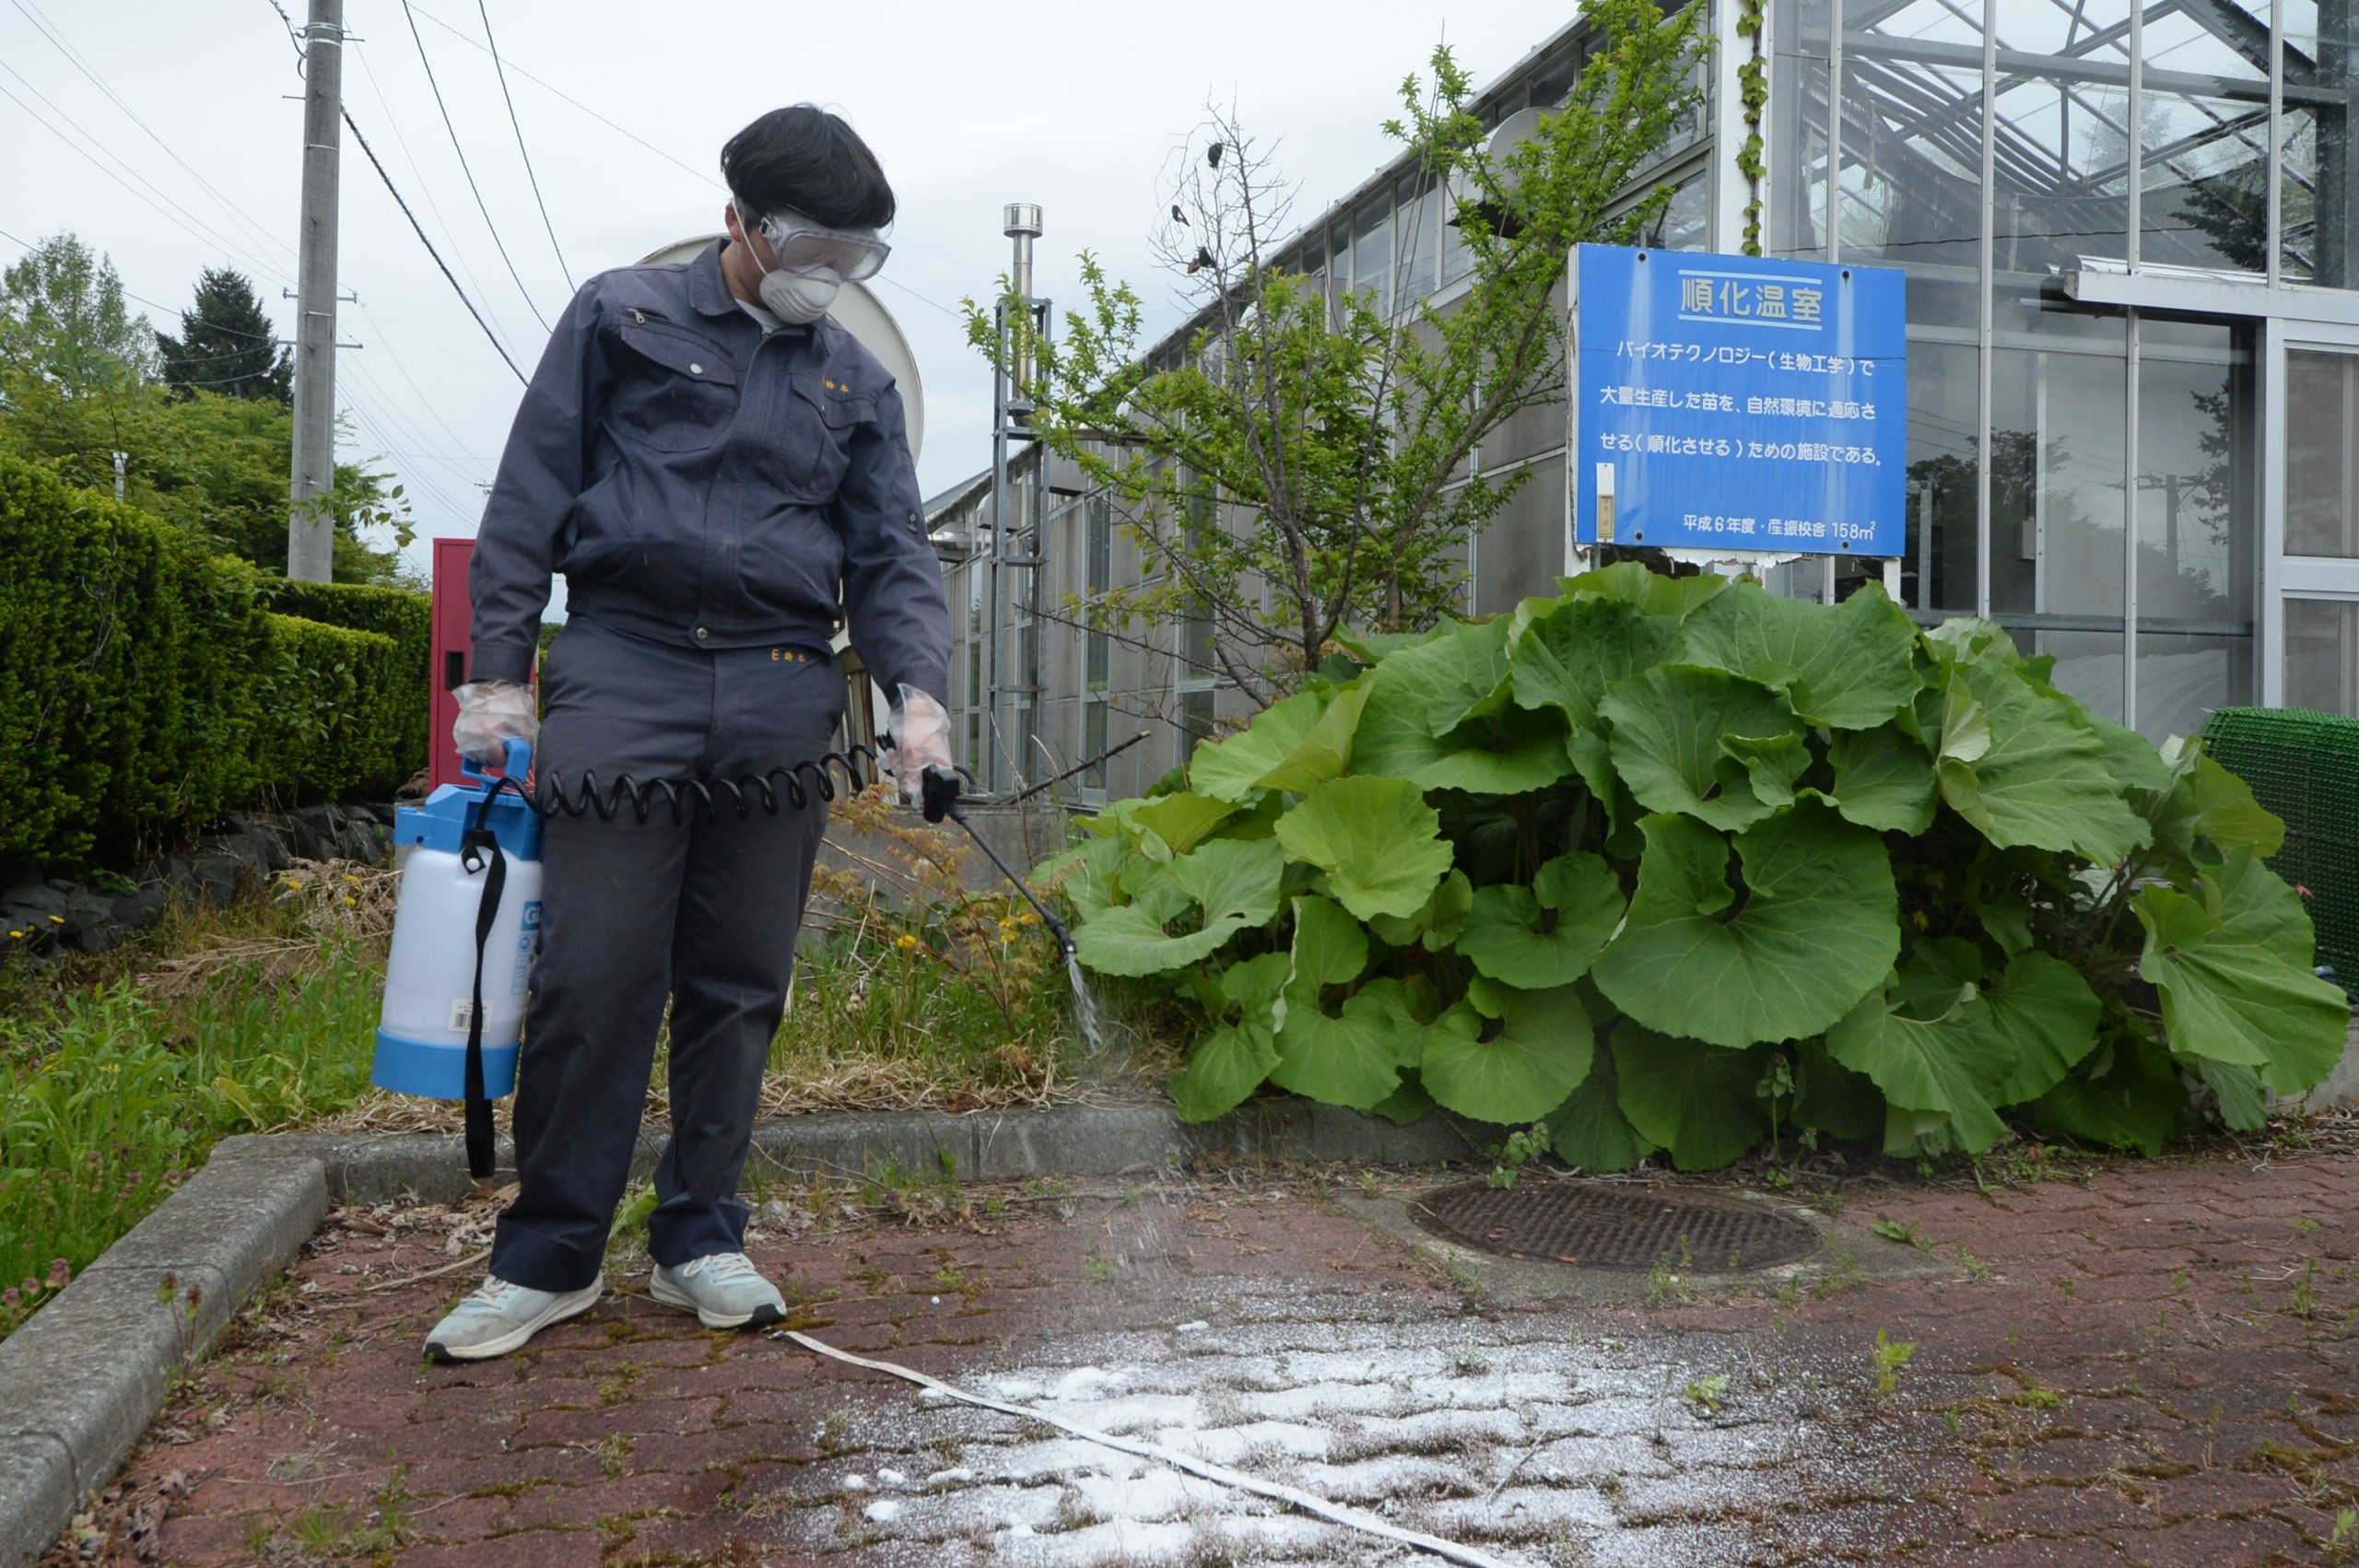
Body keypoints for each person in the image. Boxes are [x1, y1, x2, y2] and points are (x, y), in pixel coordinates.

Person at [423, 105, 954, 1362]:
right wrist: (497, 675)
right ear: (741, 222)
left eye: (857, 256)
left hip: (781, 685)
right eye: (813, 247)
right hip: (626, 664)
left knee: (740, 980)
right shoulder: (621, 316)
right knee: (595, 975)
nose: (831, 274)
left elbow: (892, 558)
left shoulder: (858, 381)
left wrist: (918, 700)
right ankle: (548, 1256)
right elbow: (529, 497)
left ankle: (701, 1236)